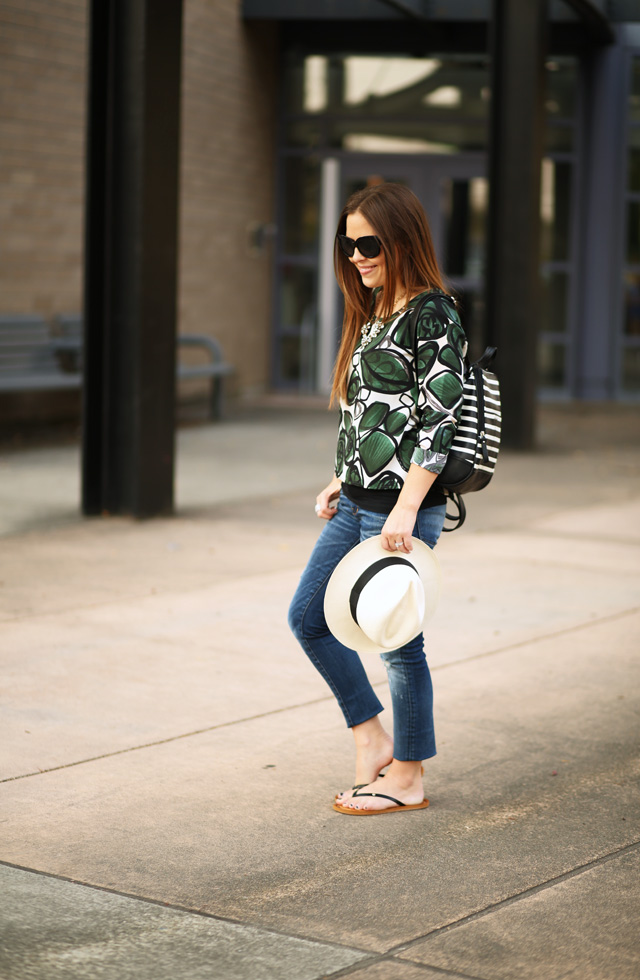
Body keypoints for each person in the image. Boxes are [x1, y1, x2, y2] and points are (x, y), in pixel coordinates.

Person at [288, 182, 467, 814]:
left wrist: (407, 506)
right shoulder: (375, 314)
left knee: (396, 640)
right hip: (360, 498)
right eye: (349, 242)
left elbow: (436, 419)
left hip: (401, 508)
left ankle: (409, 775)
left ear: (401, 241)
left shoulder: (433, 312)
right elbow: (373, 411)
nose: (356, 254)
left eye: (369, 243)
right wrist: (343, 472)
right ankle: (372, 739)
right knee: (309, 620)